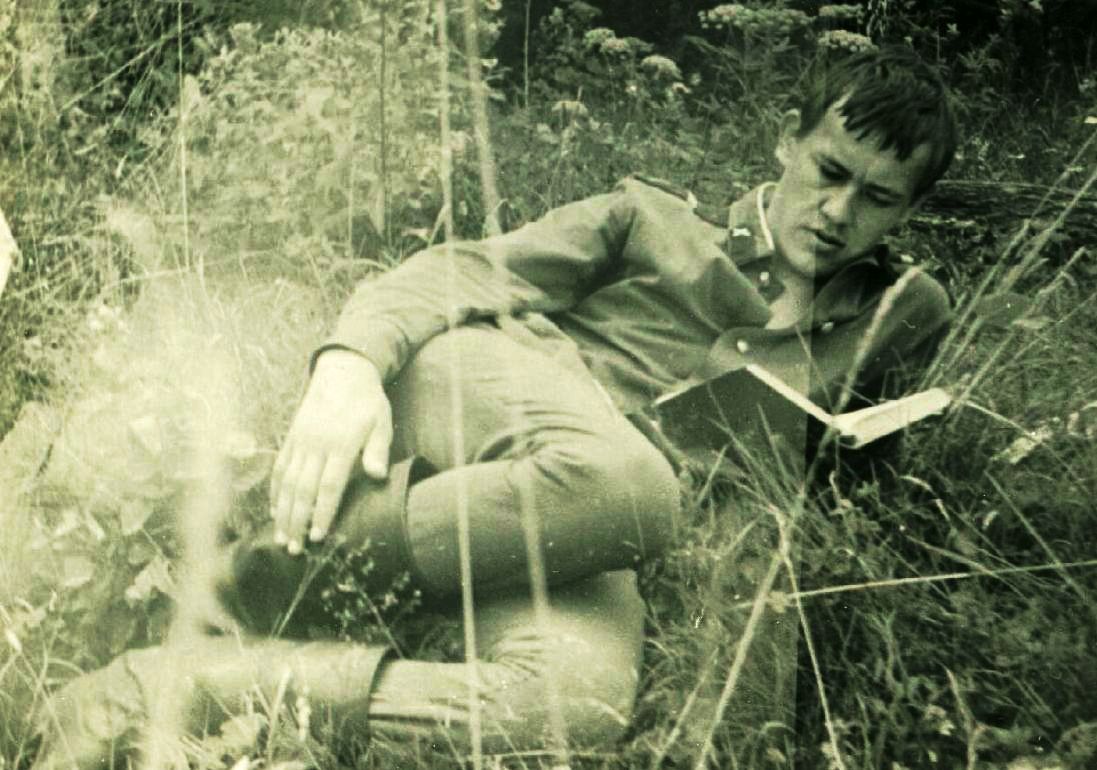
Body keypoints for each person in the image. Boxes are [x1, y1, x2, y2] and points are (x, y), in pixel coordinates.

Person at [32, 44, 956, 768]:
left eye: (877, 198)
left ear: (907, 210)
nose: (838, 211)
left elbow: (849, 475)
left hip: (590, 523)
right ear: (786, 142)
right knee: (633, 482)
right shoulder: (650, 217)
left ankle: (173, 687)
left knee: (568, 712)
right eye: (828, 171)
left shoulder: (896, 315)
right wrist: (349, 363)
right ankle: (252, 581)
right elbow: (459, 271)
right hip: (491, 392)